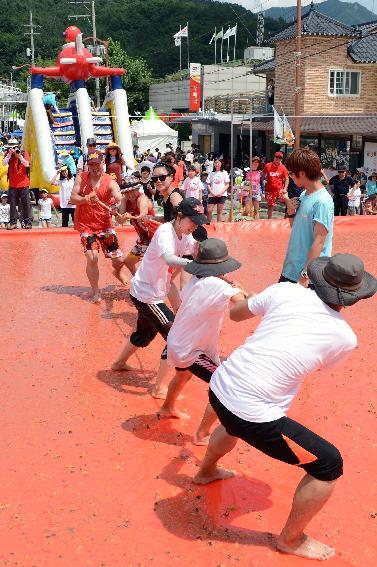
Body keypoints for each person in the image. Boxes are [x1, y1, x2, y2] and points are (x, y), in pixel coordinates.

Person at [194, 253, 377, 561]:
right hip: (250, 410)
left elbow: (237, 313)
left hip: (219, 387)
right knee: (328, 465)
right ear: (354, 297)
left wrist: (243, 294)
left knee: (231, 423)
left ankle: (206, 472)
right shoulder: (345, 337)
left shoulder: (285, 290)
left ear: (317, 279)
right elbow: (316, 364)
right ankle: (291, 539)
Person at [111, 199, 207, 399]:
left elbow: (194, 253)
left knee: (143, 335)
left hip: (153, 292)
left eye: (198, 223)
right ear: (179, 217)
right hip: (147, 295)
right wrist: (195, 266)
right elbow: (170, 259)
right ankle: (159, 388)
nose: (195, 226)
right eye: (193, 221)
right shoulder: (165, 232)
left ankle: (118, 363)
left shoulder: (186, 235)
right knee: (175, 337)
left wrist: (205, 249)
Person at [159, 238, 247, 444]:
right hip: (191, 351)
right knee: (224, 384)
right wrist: (240, 290)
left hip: (179, 343)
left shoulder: (196, 279)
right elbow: (243, 306)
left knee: (183, 376)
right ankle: (202, 434)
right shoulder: (218, 286)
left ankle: (167, 406)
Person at [70, 151, 127, 303]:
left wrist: (116, 206)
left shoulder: (110, 180)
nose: (94, 167)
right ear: (88, 165)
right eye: (91, 164)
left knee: (118, 260)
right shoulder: (81, 178)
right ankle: (96, 291)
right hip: (86, 225)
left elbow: (118, 197)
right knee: (92, 257)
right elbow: (73, 198)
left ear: (103, 163)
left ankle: (118, 272)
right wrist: (86, 199)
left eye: (97, 164)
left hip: (104, 225)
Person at [280, 149, 334, 285]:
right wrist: (291, 210)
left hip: (307, 277)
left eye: (291, 173)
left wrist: (305, 276)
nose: (290, 177)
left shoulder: (322, 201)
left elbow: (319, 241)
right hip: (291, 269)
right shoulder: (304, 194)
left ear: (302, 173)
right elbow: (297, 227)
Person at [117, 174, 155, 276]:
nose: (130, 194)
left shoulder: (142, 199)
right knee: (129, 262)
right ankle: (139, 283)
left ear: (138, 189)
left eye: (132, 190)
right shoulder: (125, 200)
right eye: (127, 192)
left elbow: (143, 213)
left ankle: (145, 285)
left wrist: (131, 216)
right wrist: (122, 216)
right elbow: (119, 220)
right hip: (144, 239)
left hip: (155, 238)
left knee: (152, 267)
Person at [2, 139, 32, 230]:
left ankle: (28, 222)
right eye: (10, 146)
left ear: (18, 145)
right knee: (12, 204)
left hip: (23, 183)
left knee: (25, 204)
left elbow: (27, 165)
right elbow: (4, 164)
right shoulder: (8, 154)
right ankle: (13, 222)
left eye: (14, 146)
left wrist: (19, 156)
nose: (12, 148)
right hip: (12, 184)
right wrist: (9, 155)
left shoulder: (23, 152)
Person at [262, 151, 289, 219]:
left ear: (281, 159)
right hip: (270, 190)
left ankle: (286, 219)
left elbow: (287, 179)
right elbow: (262, 175)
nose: (278, 159)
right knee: (270, 206)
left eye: (280, 158)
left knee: (287, 201)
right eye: (276, 157)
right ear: (274, 157)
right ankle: (269, 220)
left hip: (280, 190)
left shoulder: (283, 168)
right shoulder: (268, 165)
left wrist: (285, 189)